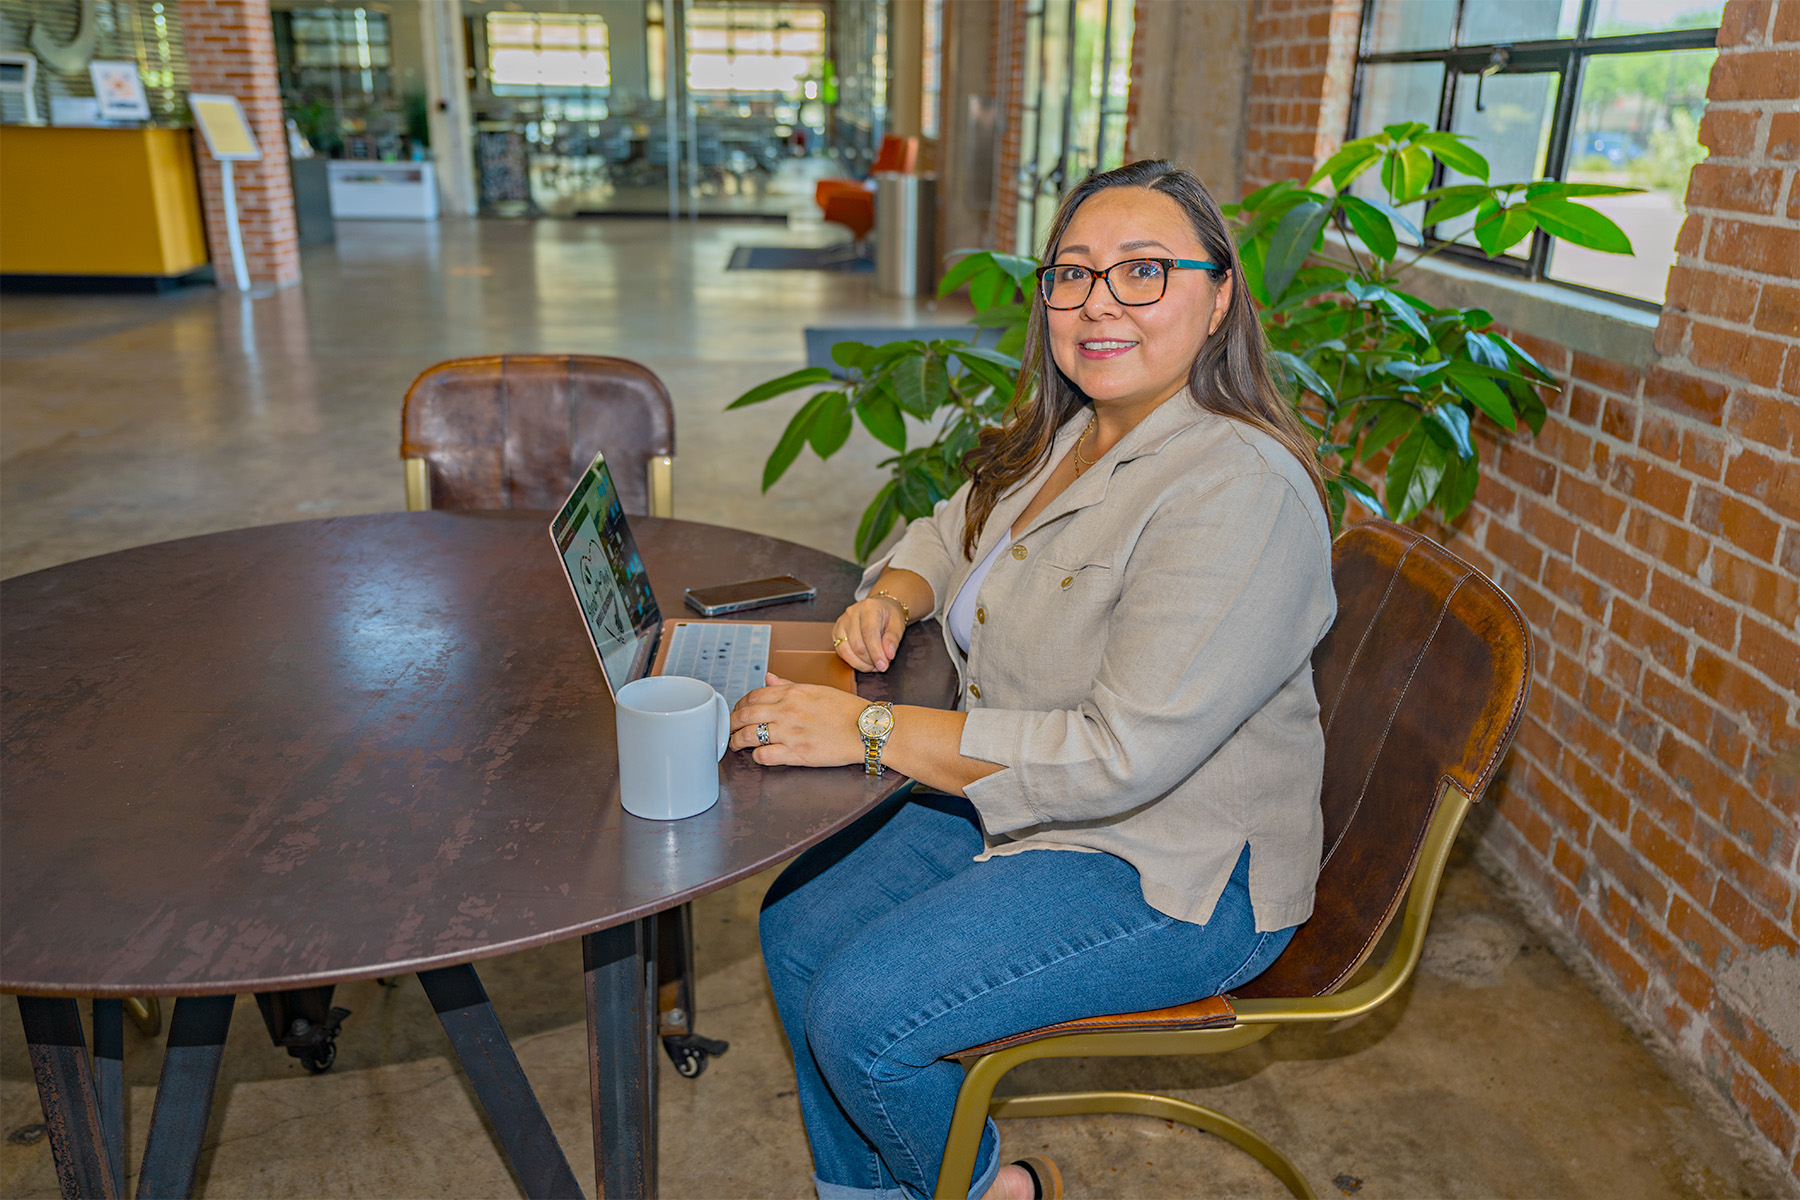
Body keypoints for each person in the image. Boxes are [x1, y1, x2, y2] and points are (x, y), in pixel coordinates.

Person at [728, 159, 1338, 1200]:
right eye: (1075, 273)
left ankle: (988, 1192)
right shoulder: (1074, 430)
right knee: (799, 924)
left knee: (865, 1016)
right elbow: (946, 527)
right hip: (1024, 799)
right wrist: (901, 593)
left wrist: (868, 734)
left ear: (1221, 296)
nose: (1101, 303)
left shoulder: (1237, 491)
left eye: (1144, 272)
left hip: (1174, 866)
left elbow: (1120, 756)